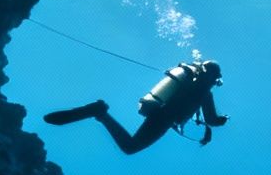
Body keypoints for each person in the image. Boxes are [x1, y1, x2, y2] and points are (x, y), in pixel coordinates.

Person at [44, 60, 229, 154]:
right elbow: (212, 119)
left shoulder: (191, 83)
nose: (214, 82)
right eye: (215, 78)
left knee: (130, 147)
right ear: (213, 77)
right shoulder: (205, 92)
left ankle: (99, 113)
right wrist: (223, 120)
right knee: (130, 147)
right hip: (164, 118)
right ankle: (99, 112)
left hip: (159, 113)